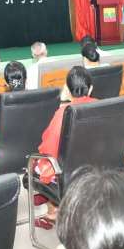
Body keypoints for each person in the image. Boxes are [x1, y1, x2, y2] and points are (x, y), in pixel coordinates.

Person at [33, 66, 96, 228]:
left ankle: (53, 211)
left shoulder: (64, 113)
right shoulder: (104, 107)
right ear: (90, 89)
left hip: (70, 177)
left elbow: (47, 149)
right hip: (98, 170)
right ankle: (53, 203)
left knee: (37, 163)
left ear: (67, 90)